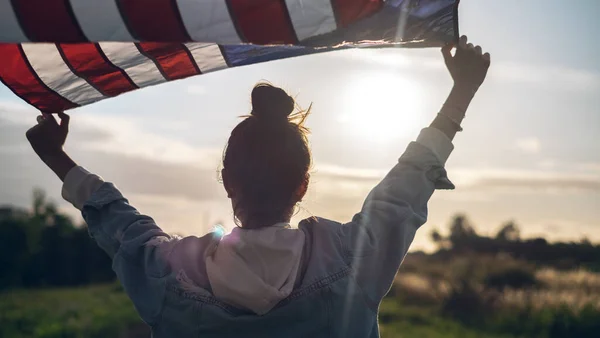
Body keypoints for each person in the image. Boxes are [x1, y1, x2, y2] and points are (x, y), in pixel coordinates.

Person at [26, 35, 490, 338]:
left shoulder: (167, 277)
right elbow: (405, 188)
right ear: (303, 185)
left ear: (227, 181)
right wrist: (461, 93)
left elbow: (119, 221)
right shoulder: (352, 261)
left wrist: (54, 155)